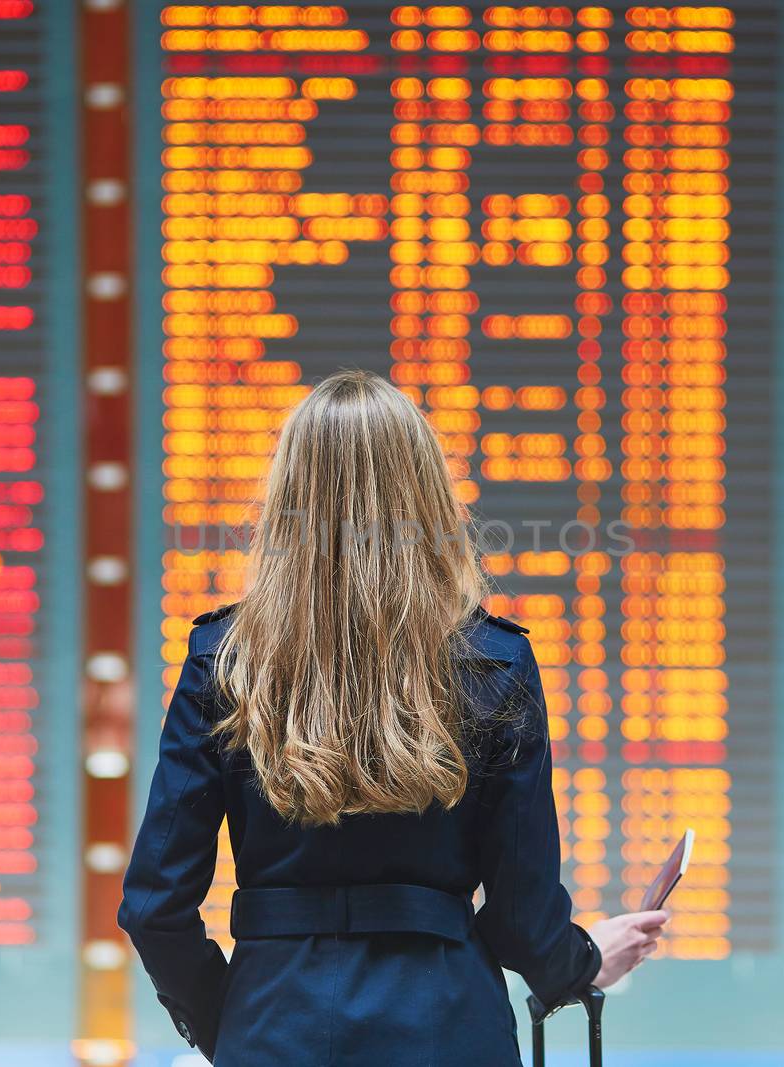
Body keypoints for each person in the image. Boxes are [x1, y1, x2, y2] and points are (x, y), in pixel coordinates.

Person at [119, 369, 669, 1066]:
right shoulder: (495, 661)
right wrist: (585, 958)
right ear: (427, 495)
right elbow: (521, 916)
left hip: (271, 1024)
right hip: (448, 1027)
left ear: (286, 497)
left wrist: (227, 1017)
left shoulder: (224, 660)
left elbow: (155, 907)